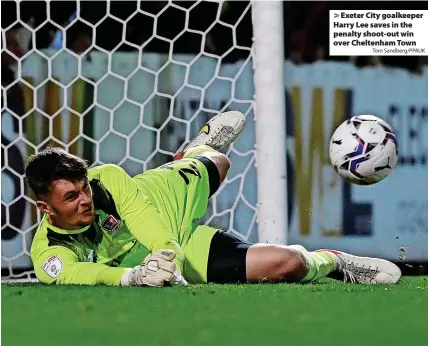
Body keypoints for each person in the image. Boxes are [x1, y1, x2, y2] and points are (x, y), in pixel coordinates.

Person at [27, 111, 401, 287]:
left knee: (220, 162)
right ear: (45, 207)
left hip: (165, 203)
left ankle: (196, 151)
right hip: (168, 258)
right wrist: (133, 276)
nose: (85, 199)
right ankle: (332, 262)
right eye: (72, 196)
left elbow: (145, 220)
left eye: (85, 188)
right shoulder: (47, 252)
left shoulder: (107, 179)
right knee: (287, 264)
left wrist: (164, 255)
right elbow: (79, 273)